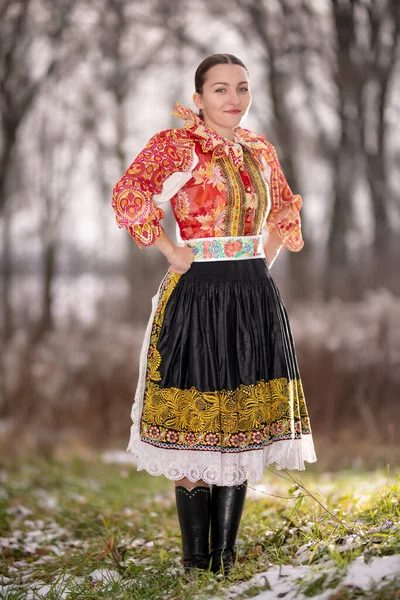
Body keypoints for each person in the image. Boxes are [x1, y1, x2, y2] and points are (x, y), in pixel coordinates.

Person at [112, 53, 316, 575]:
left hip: (252, 294)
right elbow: (129, 194)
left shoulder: (259, 148)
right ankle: (193, 564)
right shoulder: (176, 145)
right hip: (197, 294)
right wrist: (171, 251)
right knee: (192, 426)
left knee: (240, 426)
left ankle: (224, 563)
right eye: (221, 89)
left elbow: (286, 208)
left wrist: (258, 260)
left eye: (242, 88)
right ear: (199, 98)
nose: (234, 99)